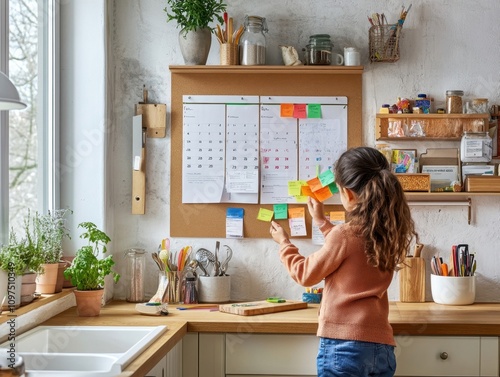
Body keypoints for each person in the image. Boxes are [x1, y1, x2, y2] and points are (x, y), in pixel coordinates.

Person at [270, 146, 418, 377]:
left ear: (348, 194)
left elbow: (305, 274)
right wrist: (321, 222)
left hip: (345, 347)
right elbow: (350, 250)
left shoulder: (345, 235)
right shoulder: (386, 233)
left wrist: (284, 243)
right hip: (381, 349)